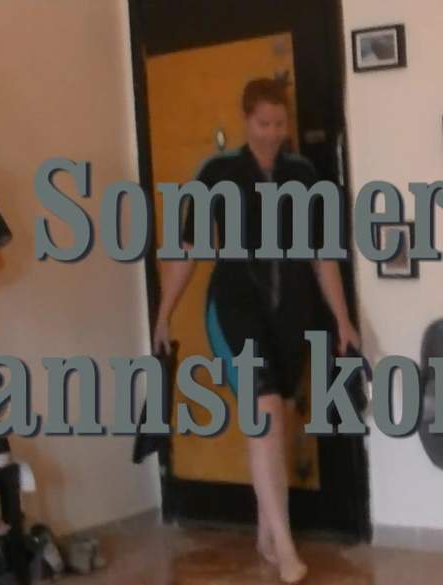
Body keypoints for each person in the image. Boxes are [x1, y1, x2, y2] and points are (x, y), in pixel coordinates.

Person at [152, 78, 360, 584]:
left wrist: (342, 318)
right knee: (263, 412)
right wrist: (163, 313)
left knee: (276, 420)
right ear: (246, 120)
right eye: (263, 123)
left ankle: (268, 531)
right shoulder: (217, 172)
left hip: (292, 312)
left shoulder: (303, 174)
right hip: (235, 308)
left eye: (279, 123)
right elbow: (187, 250)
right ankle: (285, 549)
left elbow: (322, 255)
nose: (271, 133)